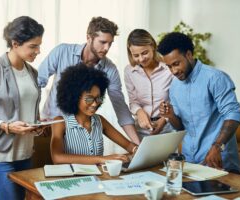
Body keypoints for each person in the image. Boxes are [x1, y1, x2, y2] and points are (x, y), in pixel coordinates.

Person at [0, 16, 44, 199]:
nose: (38, 51)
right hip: (0, 156)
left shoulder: (32, 73)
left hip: (26, 154)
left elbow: (28, 110)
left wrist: (37, 125)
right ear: (15, 43)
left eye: (39, 46)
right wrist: (7, 126)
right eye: (33, 46)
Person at [38, 16, 140, 144]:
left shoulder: (110, 69)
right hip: (50, 127)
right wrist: (36, 119)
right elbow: (36, 84)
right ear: (89, 38)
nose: (107, 48)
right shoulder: (62, 52)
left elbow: (120, 107)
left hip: (81, 133)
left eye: (110, 43)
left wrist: (137, 145)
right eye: (103, 42)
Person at [157, 32, 240, 173]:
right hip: (190, 163)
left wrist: (217, 147)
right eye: (169, 66)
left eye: (176, 64)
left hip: (219, 161)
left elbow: (233, 115)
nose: (174, 71)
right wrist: (171, 115)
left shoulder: (215, 78)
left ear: (189, 55)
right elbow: (181, 128)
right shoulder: (174, 86)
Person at [50, 64, 138, 164]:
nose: (95, 104)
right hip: (72, 177)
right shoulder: (60, 122)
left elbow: (128, 146)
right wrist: (102, 159)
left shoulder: (100, 120)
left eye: (98, 98)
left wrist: (136, 150)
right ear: (74, 97)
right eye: (89, 99)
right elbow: (57, 158)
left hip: (99, 177)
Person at [124, 29, 173, 140]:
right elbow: (133, 101)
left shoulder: (168, 69)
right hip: (141, 130)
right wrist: (139, 111)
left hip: (167, 129)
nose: (141, 59)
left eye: (145, 53)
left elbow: (177, 101)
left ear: (153, 46)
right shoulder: (129, 71)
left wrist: (164, 119)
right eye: (136, 55)